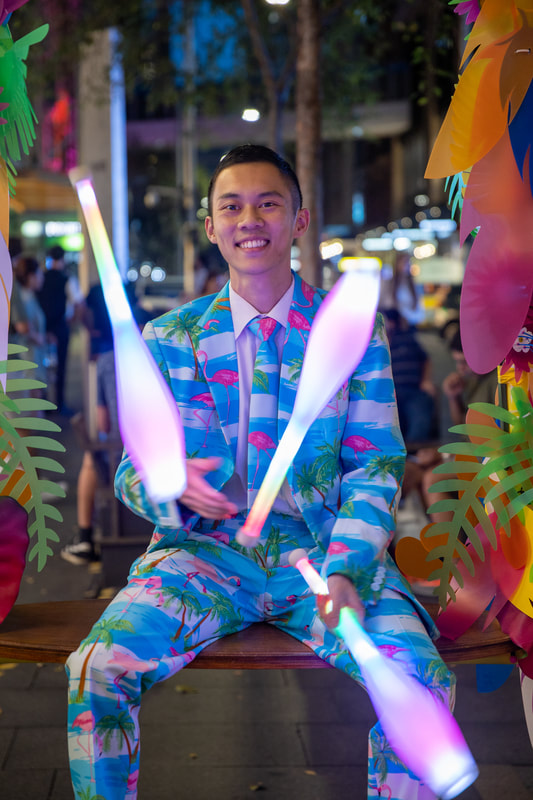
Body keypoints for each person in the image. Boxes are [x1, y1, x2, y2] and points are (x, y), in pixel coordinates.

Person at [65, 145, 455, 800]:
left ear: (298, 220)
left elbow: (375, 462)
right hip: (202, 561)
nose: (250, 218)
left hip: (328, 562)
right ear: (211, 225)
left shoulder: (354, 334)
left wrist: (345, 568)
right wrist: (168, 485)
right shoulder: (168, 339)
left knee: (417, 677)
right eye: (231, 205)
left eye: (268, 202)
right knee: (93, 673)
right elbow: (134, 469)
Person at [37, 245, 82, 414]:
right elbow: (77, 303)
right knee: (61, 366)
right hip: (60, 328)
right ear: (63, 259)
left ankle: (44, 403)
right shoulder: (67, 279)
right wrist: (71, 321)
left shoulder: (41, 277)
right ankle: (60, 404)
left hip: (42, 329)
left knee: (41, 366)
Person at [383, 307, 437, 445]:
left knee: (420, 421)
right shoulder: (377, 344)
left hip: (414, 390)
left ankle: (414, 456)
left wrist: (426, 381)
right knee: (385, 425)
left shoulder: (406, 338)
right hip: (388, 393)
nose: (390, 325)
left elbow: (425, 359)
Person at [9, 255, 47, 393]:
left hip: (30, 357)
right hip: (27, 358)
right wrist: (38, 338)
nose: (42, 277)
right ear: (31, 276)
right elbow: (23, 327)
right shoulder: (23, 298)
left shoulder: (28, 296)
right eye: (39, 274)